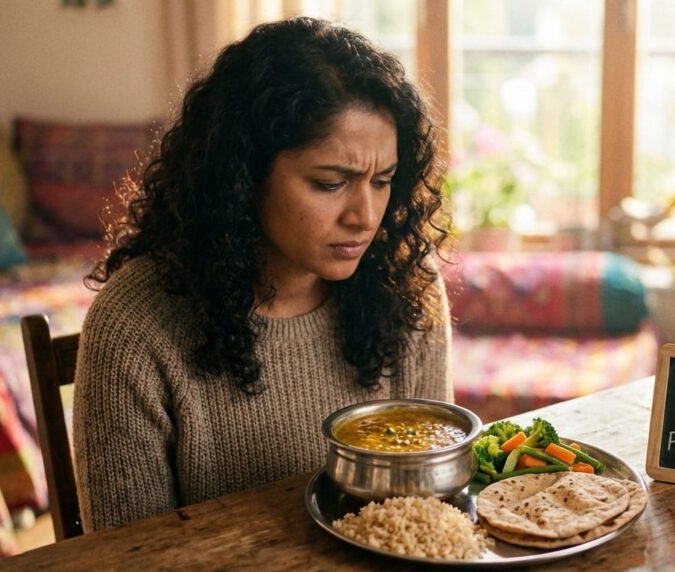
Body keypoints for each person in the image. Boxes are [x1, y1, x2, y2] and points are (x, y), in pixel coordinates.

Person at [73, 17, 452, 532]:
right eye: (330, 183)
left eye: (382, 181)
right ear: (243, 175)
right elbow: (127, 555)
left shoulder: (406, 286)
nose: (365, 216)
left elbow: (431, 512)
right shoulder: (134, 326)